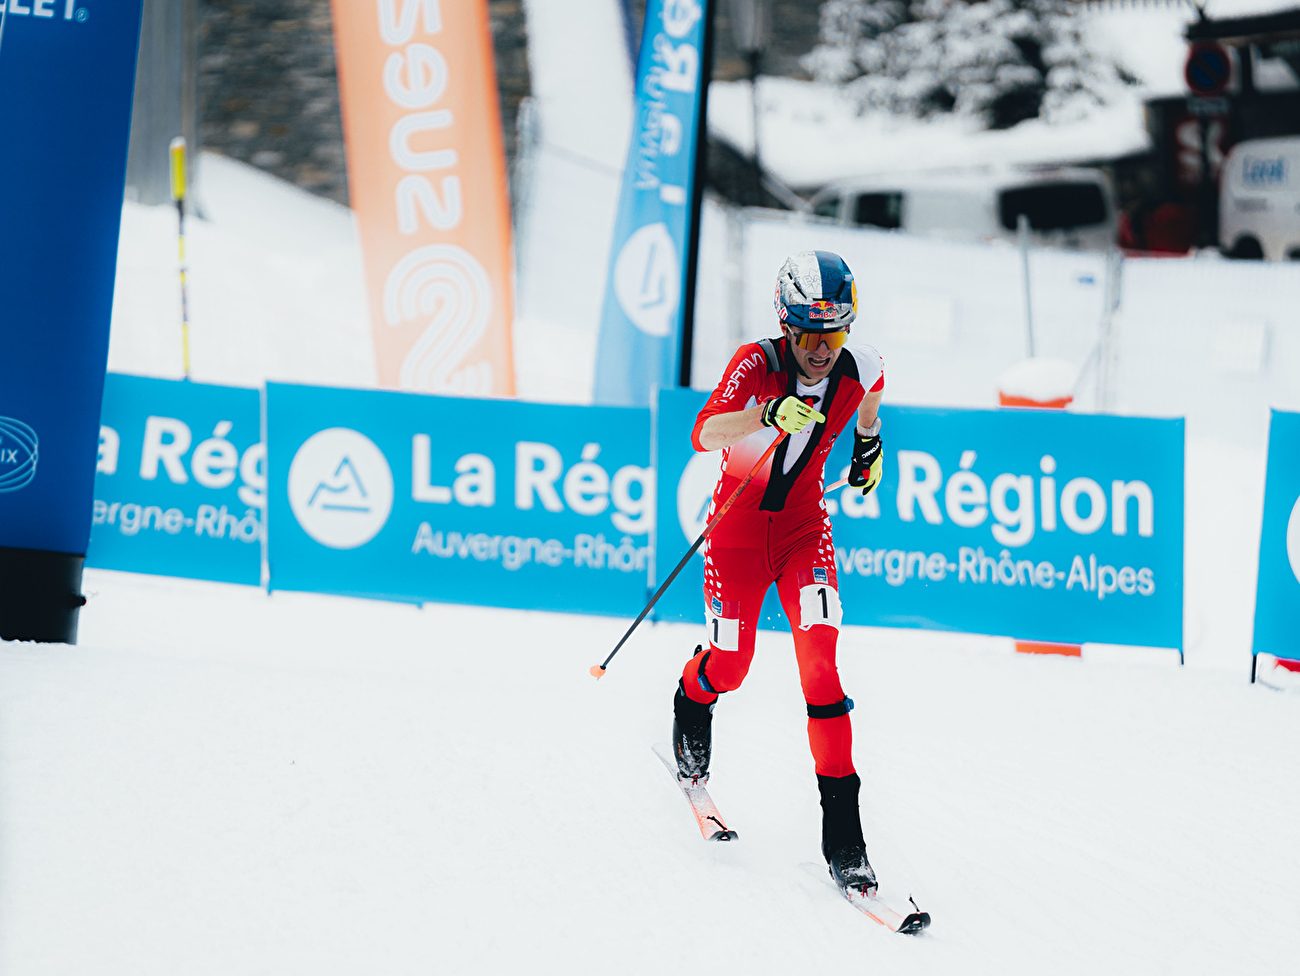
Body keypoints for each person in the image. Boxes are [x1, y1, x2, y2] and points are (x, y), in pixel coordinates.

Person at [671, 250, 885, 895]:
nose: (823, 349)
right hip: (736, 533)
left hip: (802, 533)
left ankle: (844, 838)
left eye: (835, 334)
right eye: (810, 334)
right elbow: (705, 434)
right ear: (787, 327)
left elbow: (871, 397)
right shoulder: (755, 363)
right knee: (730, 666)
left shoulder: (862, 364)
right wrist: (765, 415)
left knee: (821, 663)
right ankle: (690, 697)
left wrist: (869, 446)